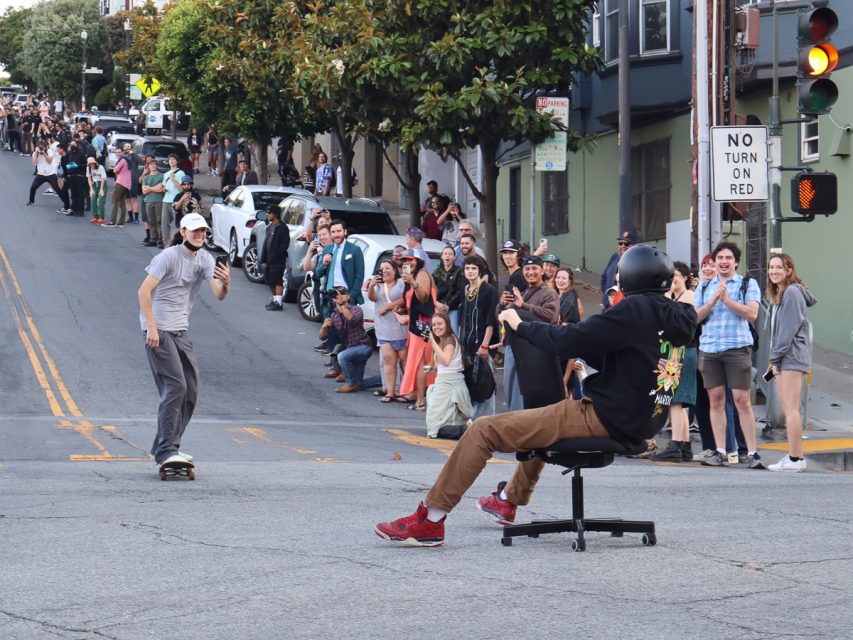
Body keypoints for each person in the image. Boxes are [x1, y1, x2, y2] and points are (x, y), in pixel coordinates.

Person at [374, 244, 696, 546]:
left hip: (607, 418)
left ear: (628, 277)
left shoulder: (633, 311)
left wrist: (520, 323)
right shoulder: (676, 316)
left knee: (483, 430)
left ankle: (430, 519)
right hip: (641, 422)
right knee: (545, 419)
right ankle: (506, 501)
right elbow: (630, 356)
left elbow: (567, 339)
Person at [137, 212, 230, 467]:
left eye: (203, 232)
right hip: (159, 330)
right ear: (183, 231)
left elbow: (218, 294)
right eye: (195, 231)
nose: (200, 235)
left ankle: (167, 446)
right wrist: (152, 328)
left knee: (190, 390)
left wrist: (226, 283)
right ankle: (166, 450)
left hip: (180, 330)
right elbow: (143, 292)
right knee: (175, 387)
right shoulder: (168, 257)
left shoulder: (205, 259)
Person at [694, 241, 763, 469]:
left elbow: (752, 313)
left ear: (736, 262)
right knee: (715, 400)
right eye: (720, 258)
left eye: (728, 258)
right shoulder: (704, 287)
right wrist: (713, 299)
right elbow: (695, 317)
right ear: (714, 262)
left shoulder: (747, 283)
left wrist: (726, 300)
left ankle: (752, 452)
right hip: (709, 348)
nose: (724, 262)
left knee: (742, 400)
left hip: (737, 348)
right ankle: (720, 451)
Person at [766, 254, 817, 473]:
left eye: (779, 267)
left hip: (791, 357)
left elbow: (788, 329)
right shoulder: (783, 292)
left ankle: (796, 459)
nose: (774, 271)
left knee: (791, 409)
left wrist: (775, 358)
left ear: (789, 270)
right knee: (789, 409)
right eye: (771, 267)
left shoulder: (793, 292)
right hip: (786, 356)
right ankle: (794, 456)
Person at [497, 255, 560, 411]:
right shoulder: (523, 293)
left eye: (534, 268)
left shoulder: (548, 293)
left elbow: (551, 316)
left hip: (533, 353)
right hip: (514, 348)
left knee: (524, 394)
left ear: (542, 271)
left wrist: (524, 306)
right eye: (527, 269)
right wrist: (501, 304)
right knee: (511, 391)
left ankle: (521, 428)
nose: (530, 272)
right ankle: (515, 427)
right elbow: (503, 316)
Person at [652, 261, 699, 462]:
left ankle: (676, 445)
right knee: (675, 401)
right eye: (672, 276)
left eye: (678, 275)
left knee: (675, 401)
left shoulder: (687, 297)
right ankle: (685, 445)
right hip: (675, 352)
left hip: (682, 351)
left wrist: (668, 295)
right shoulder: (676, 297)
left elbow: (673, 321)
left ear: (686, 277)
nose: (674, 279)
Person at [458, 255, 499, 418]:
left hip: (482, 344)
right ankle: (472, 418)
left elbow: (491, 320)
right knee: (471, 382)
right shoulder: (467, 289)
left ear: (480, 270)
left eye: (474, 268)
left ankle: (486, 420)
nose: (470, 271)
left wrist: (484, 345)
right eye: (467, 268)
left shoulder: (489, 290)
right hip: (467, 344)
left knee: (484, 383)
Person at [396, 252, 437, 411]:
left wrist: (413, 283)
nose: (407, 262)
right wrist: (404, 311)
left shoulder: (422, 275)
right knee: (420, 362)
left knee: (421, 363)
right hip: (416, 325)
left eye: (410, 260)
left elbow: (424, 298)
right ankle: (420, 396)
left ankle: (421, 400)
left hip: (423, 327)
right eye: (404, 260)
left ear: (418, 261)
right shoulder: (412, 277)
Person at [320, 286, 379, 393]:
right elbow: (322, 337)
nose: (339, 296)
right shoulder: (334, 315)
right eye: (337, 294)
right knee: (359, 385)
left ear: (348, 297)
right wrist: (324, 327)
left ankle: (350, 384)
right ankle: (389, 381)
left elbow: (351, 319)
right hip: (350, 349)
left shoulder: (356, 309)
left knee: (342, 356)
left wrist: (341, 305)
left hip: (363, 347)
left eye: (342, 294)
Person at [424, 313, 472, 439]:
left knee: (434, 422)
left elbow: (446, 361)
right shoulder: (445, 339)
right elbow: (445, 363)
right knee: (442, 418)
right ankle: (464, 429)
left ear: (447, 324)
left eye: (439, 324)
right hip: (446, 380)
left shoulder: (449, 340)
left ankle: (465, 429)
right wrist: (432, 367)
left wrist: (432, 342)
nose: (436, 327)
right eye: (433, 324)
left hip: (449, 382)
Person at [367, 259, 408, 402]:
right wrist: (371, 286)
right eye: (382, 268)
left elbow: (406, 299)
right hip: (383, 327)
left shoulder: (402, 283)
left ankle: (406, 390)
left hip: (400, 327)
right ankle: (390, 392)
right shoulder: (378, 284)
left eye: (387, 268)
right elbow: (372, 298)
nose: (384, 271)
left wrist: (387, 307)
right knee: (388, 360)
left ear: (395, 270)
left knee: (404, 361)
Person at [259, 205, 290, 311]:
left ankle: (278, 303)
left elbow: (285, 244)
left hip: (278, 260)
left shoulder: (282, 228)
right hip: (269, 260)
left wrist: (277, 254)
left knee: (277, 281)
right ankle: (275, 300)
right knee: (270, 281)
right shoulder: (270, 227)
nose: (267, 215)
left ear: (275, 214)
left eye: (269, 213)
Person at [26, 140, 69, 210]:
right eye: (40, 147)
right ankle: (31, 201)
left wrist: (44, 153)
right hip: (41, 174)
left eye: (43, 147)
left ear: (46, 147)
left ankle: (65, 203)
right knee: (33, 187)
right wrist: (37, 153)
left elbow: (49, 161)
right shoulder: (35, 153)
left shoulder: (50, 151)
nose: (42, 149)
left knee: (57, 189)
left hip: (50, 174)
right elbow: (34, 163)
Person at [601, 230, 636, 308]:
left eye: (626, 244)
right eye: (620, 243)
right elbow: (604, 277)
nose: (623, 246)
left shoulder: (636, 262)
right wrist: (606, 298)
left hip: (622, 307)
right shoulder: (615, 256)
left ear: (634, 246)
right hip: (607, 306)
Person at [432, 246, 462, 332]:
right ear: (442, 256)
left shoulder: (459, 271)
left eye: (450, 254)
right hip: (438, 308)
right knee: (439, 333)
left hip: (453, 309)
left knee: (454, 333)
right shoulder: (436, 272)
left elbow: (460, 291)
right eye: (445, 254)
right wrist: (437, 303)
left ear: (454, 257)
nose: (447, 256)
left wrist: (448, 305)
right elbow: (432, 290)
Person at [160, 154, 186, 244]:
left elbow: (182, 189)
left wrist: (173, 179)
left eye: (173, 159)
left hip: (176, 201)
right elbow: (163, 186)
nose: (171, 161)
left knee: (176, 223)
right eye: (170, 159)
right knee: (164, 222)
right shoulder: (166, 174)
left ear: (177, 161)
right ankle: (166, 242)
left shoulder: (181, 173)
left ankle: (176, 242)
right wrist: (163, 189)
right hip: (166, 200)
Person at [103, 145, 130, 227]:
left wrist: (115, 169)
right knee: (122, 203)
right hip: (127, 183)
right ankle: (121, 222)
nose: (118, 154)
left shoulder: (122, 160)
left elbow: (115, 170)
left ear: (122, 152)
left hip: (121, 183)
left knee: (114, 202)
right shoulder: (127, 160)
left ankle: (112, 221)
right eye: (116, 152)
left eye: (119, 152)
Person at [139, 156, 164, 246]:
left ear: (156, 166)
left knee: (159, 220)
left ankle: (160, 239)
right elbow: (144, 190)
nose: (153, 166)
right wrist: (154, 188)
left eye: (154, 164)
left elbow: (161, 188)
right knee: (151, 220)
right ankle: (153, 239)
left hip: (158, 200)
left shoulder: (161, 176)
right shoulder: (146, 177)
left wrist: (149, 188)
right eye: (151, 164)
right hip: (148, 201)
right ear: (148, 166)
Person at [86, 157, 108, 224]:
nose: (91, 165)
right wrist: (91, 189)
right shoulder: (88, 168)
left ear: (95, 163)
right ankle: (95, 216)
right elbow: (89, 179)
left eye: (92, 163)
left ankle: (101, 217)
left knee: (101, 201)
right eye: (90, 164)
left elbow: (103, 178)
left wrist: (101, 189)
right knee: (93, 201)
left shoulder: (100, 167)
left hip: (102, 184)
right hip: (94, 185)